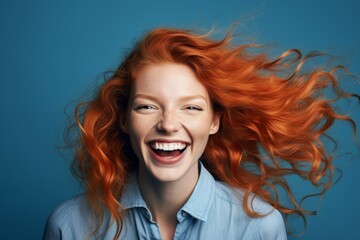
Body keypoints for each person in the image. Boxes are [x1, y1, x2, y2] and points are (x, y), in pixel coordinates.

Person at [43, 27, 358, 240]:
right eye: (147, 107)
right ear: (124, 119)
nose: (168, 123)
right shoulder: (70, 225)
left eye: (190, 108)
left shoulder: (259, 226)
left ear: (214, 121)